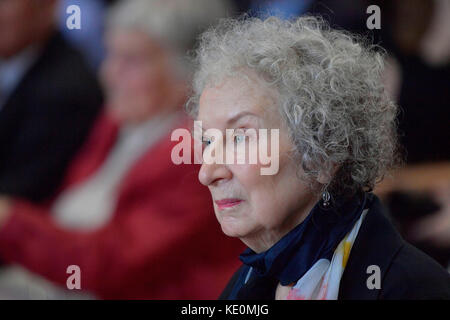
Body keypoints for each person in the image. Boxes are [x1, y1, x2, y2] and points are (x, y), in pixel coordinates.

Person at [187, 15, 450, 299]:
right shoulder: (245, 285)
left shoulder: (411, 289)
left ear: (322, 154)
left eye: (240, 138)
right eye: (208, 141)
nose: (207, 173)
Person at [0, 0, 242, 299]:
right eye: (111, 54)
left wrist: (10, 221)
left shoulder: (195, 152)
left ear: (188, 71)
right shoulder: (119, 121)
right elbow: (66, 212)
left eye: (131, 60)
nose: (109, 74)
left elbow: (113, 264)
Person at [0, 0, 103, 203]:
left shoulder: (67, 92)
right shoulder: (13, 53)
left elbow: (20, 191)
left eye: (5, 4)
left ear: (46, 9)